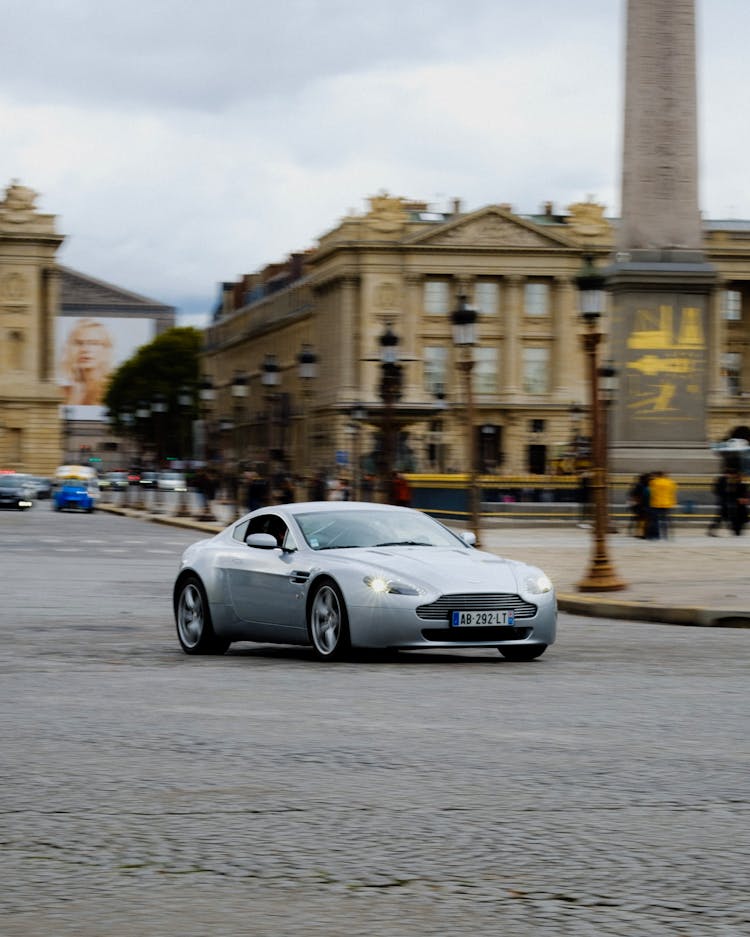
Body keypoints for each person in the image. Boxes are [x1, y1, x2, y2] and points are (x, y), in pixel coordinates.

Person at [59, 318, 114, 405]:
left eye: (94, 343)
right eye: (79, 343)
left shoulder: (112, 389)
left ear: (105, 349)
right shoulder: (61, 392)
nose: (85, 349)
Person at [708, 467, 748, 536]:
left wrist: (743, 498)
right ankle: (713, 529)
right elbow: (717, 490)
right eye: (731, 475)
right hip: (725, 501)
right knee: (722, 514)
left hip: (736, 502)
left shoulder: (737, 480)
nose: (732, 476)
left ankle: (736, 530)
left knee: (738, 514)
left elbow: (742, 491)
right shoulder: (721, 480)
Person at [648, 470, 678, 539]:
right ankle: (665, 535)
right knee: (665, 520)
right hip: (667, 503)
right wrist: (673, 503)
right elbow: (672, 494)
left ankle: (654, 536)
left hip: (655, 503)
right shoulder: (671, 482)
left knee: (654, 521)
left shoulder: (653, 482)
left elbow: (651, 493)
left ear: (658, 475)